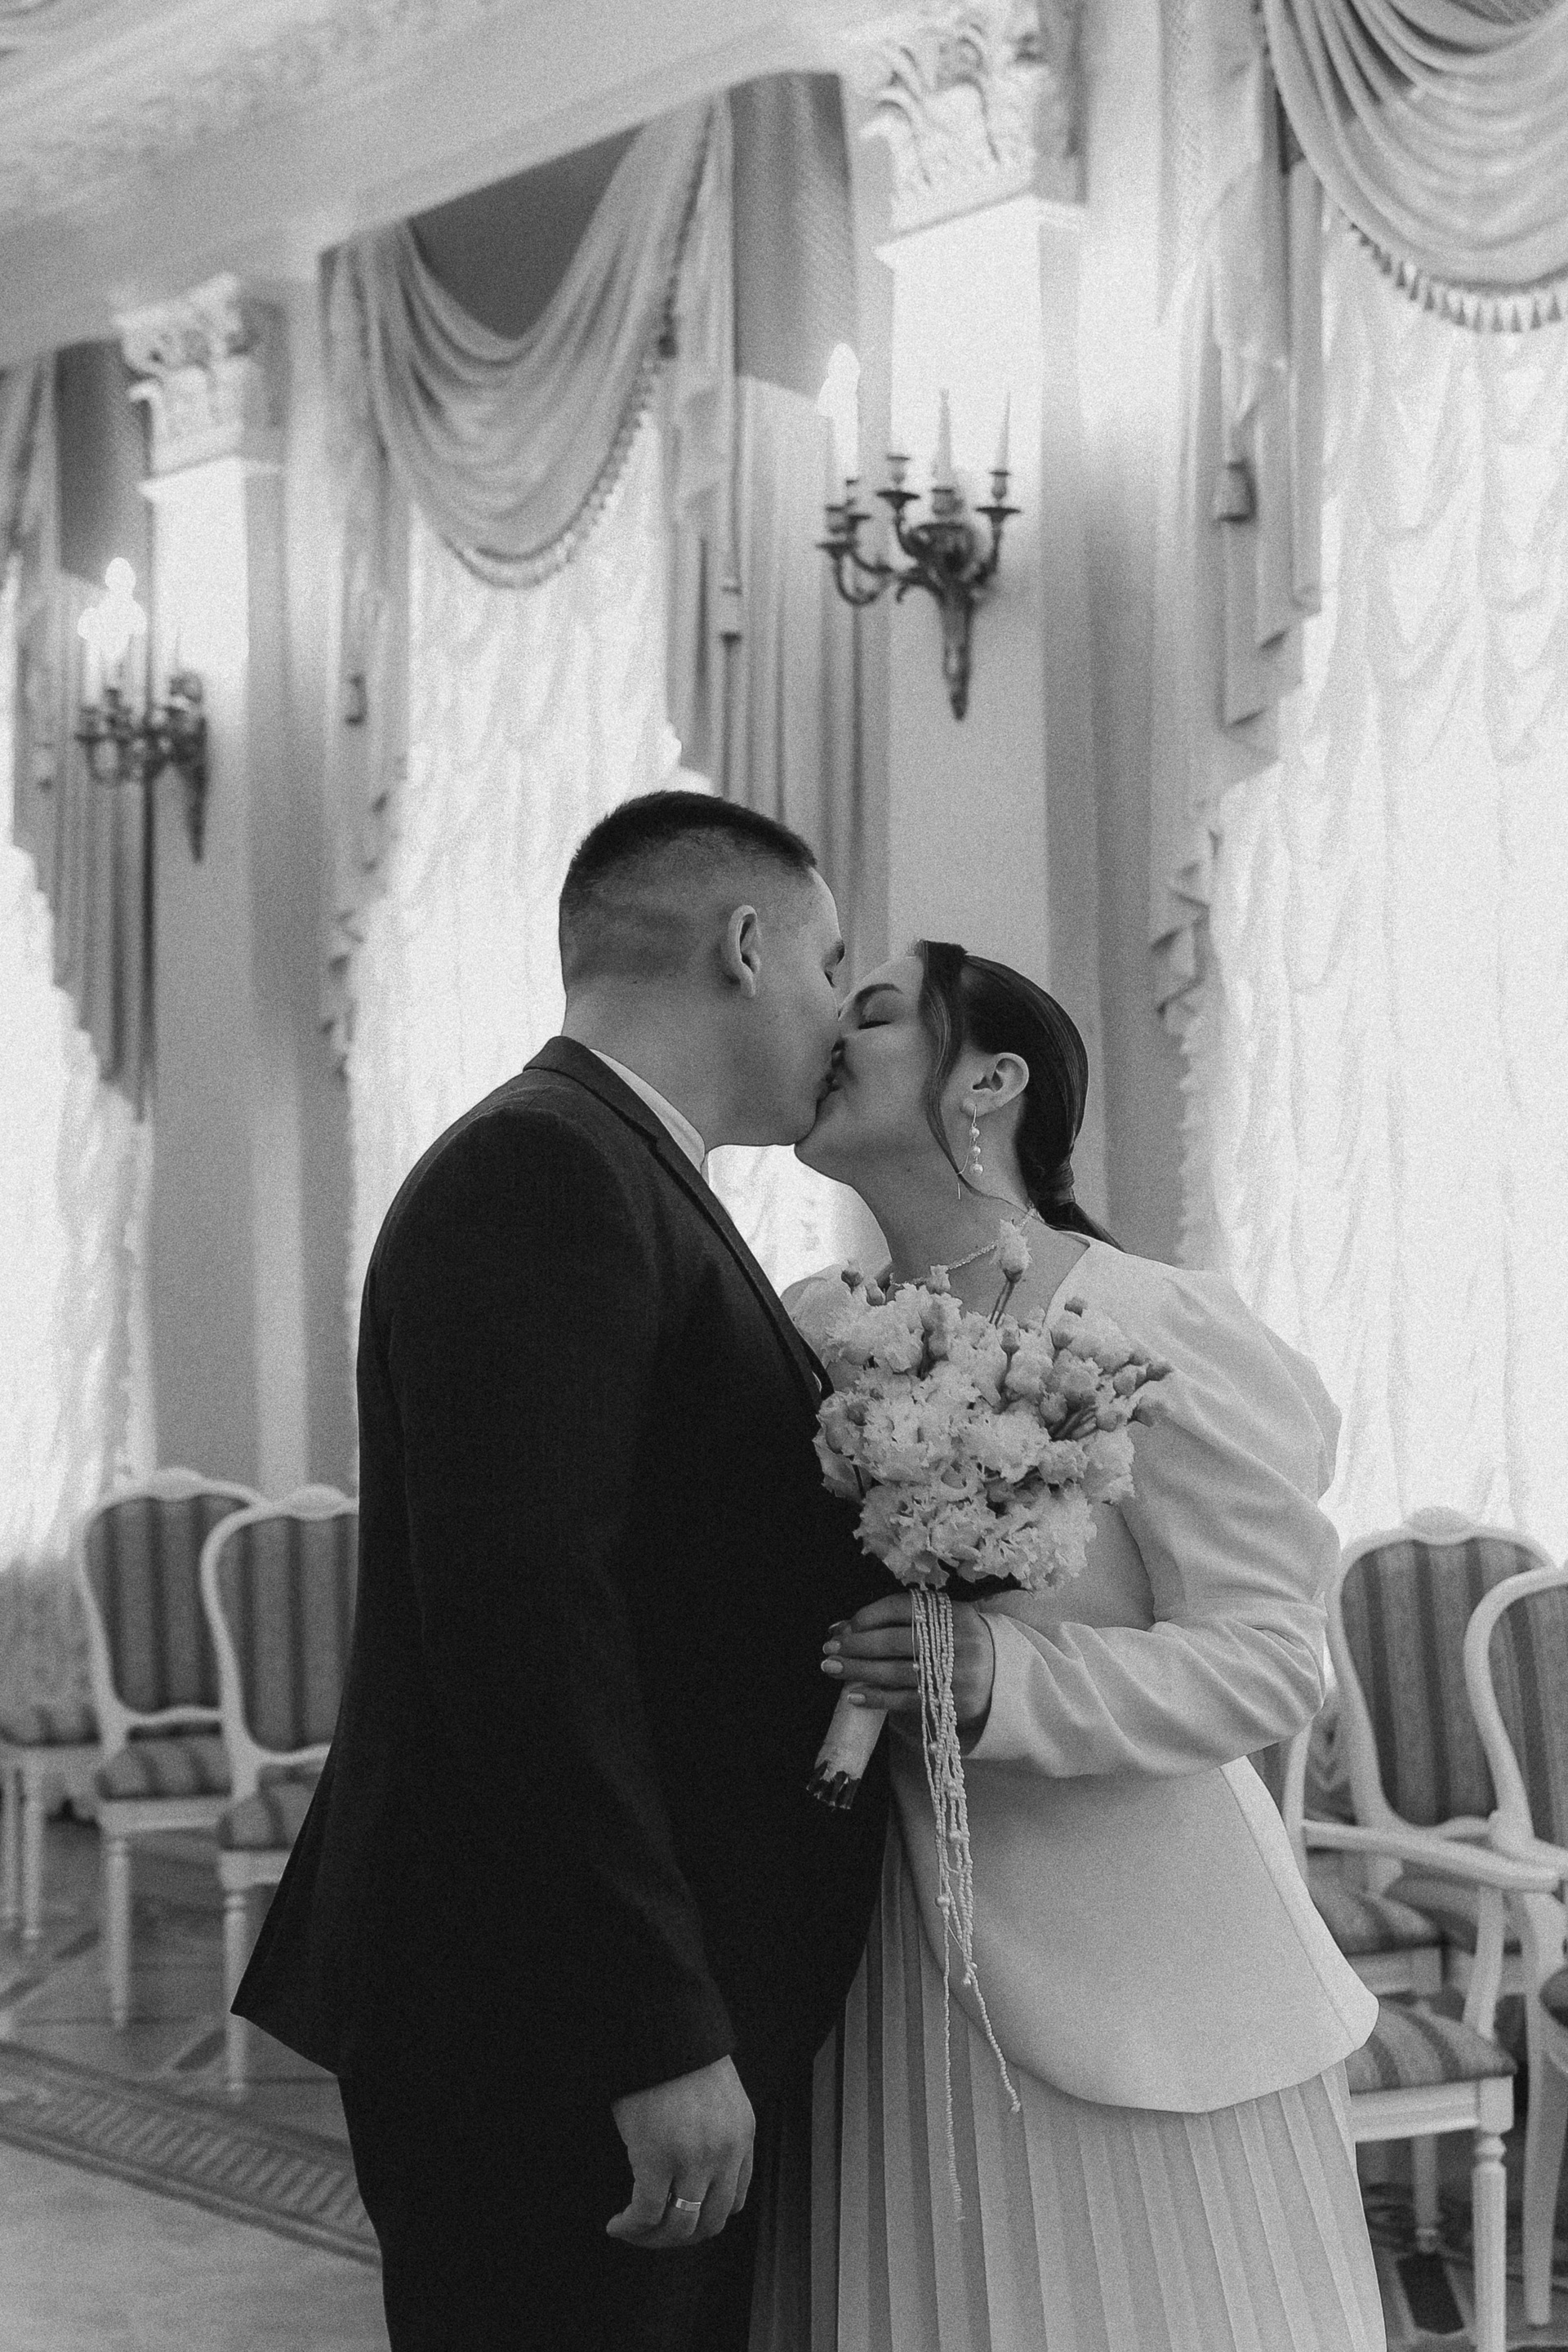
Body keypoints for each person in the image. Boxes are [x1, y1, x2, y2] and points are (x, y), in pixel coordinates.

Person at [233, 791, 890, 2352]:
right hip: (540, 2020)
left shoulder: (619, 1167)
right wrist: (651, 2030)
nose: (838, 1014)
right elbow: (527, 1635)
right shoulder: (546, 1171)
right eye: (829, 962)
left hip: (584, 1996)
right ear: (745, 946)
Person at [755, 939, 1386, 2352]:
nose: (830, 1032)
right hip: (865, 1972)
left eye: (873, 1013)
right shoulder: (811, 1332)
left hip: (1134, 1969)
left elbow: (1270, 1658)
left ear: (991, 1081)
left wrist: (1006, 1679)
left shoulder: (1152, 1326)